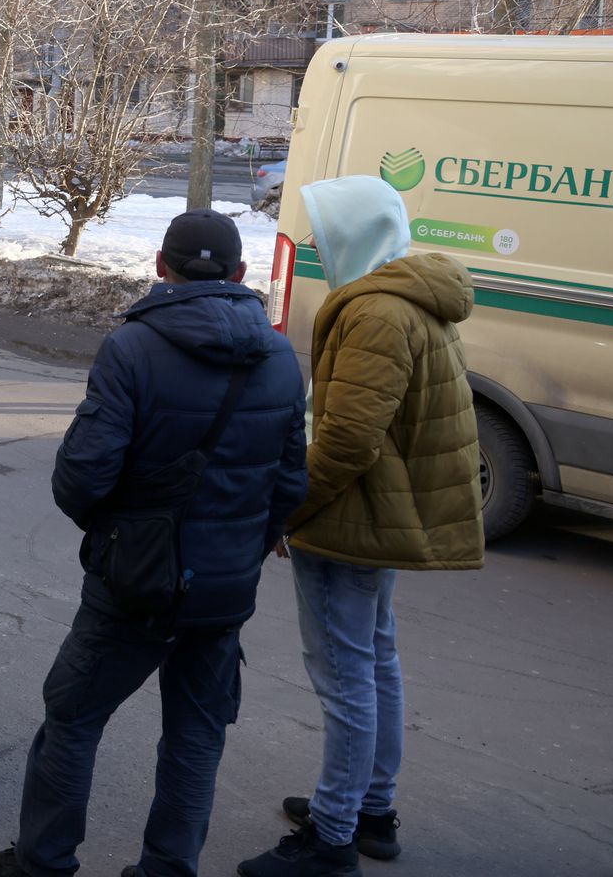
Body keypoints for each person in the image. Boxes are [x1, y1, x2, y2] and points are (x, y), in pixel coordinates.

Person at [0, 209, 308, 877]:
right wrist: (246, 547)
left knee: (73, 717)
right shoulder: (279, 356)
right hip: (224, 590)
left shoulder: (133, 346)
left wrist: (116, 534)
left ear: (160, 266)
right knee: (197, 735)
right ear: (241, 273)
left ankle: (42, 864)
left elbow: (83, 476)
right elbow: (291, 482)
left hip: (134, 581)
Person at [239, 176, 483, 877]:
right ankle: (370, 807)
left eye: (326, 234)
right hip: (378, 513)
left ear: (356, 233)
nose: (318, 246)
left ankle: (333, 835)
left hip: (350, 518)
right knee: (374, 660)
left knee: (346, 674)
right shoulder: (413, 296)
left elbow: (346, 439)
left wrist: (288, 510)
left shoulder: (376, 310)